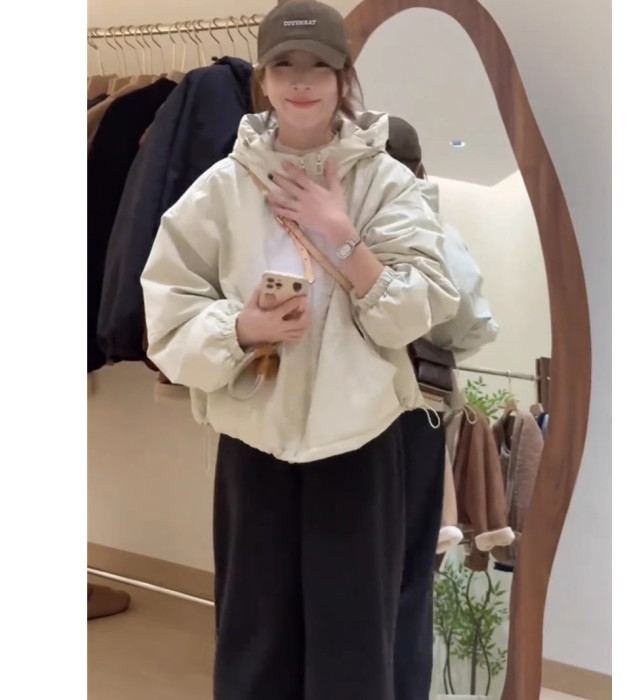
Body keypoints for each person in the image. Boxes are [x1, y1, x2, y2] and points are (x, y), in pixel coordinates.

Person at [140, 3, 460, 700]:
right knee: (254, 643)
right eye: (285, 65)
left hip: (361, 439)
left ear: (344, 77)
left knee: (354, 650)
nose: (302, 81)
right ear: (263, 77)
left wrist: (341, 236)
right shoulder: (222, 188)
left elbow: (423, 307)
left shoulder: (386, 183)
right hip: (254, 438)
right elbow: (166, 312)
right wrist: (243, 328)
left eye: (319, 64)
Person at [386, 115, 498, 700]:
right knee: (409, 580)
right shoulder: (427, 224)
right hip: (412, 413)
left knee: (347, 580)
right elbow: (473, 323)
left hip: (335, 423)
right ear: (422, 169)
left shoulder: (330, 215)